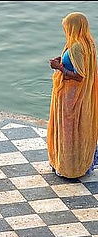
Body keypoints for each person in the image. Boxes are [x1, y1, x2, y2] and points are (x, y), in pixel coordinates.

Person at [47, 12, 98, 178]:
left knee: (69, 131)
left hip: (71, 97)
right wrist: (63, 59)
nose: (65, 30)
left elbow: (79, 75)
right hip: (81, 96)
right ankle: (80, 163)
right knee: (79, 129)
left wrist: (58, 67)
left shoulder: (76, 46)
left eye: (67, 27)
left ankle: (69, 167)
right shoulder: (87, 42)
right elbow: (82, 65)